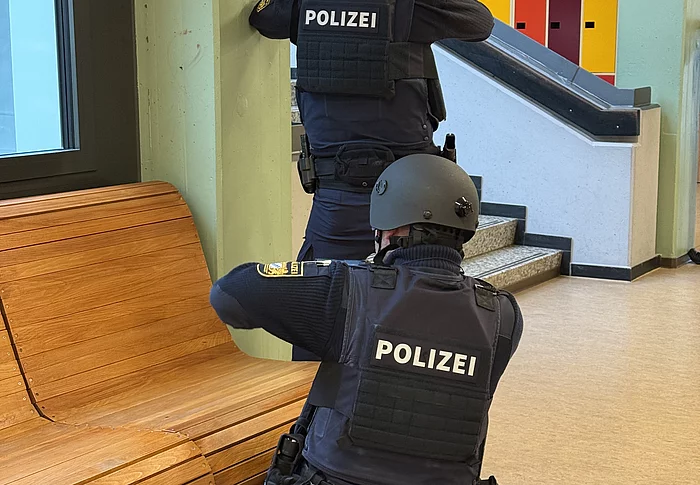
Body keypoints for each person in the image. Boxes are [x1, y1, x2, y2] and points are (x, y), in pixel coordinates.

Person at [210, 154, 523, 485]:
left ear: (390, 226)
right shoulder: (502, 315)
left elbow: (229, 295)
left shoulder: (348, 292)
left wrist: (339, 274)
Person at [250, 0, 495, 360]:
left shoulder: (304, 6)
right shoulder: (411, 7)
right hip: (412, 204)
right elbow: (479, 21)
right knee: (415, 309)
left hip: (338, 200)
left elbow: (263, 17)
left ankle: (312, 392)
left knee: (322, 306)